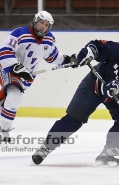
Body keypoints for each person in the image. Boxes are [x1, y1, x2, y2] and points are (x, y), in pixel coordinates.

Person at [31, 37, 119, 167]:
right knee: (73, 119)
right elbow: (98, 45)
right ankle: (46, 147)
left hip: (116, 95)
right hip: (93, 85)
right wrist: (90, 52)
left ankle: (107, 154)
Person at [0, 10, 76, 142]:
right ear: (35, 22)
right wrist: (15, 66)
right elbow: (5, 50)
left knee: (8, 99)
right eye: (41, 23)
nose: (43, 26)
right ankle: (3, 131)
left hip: (26, 76)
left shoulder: (49, 39)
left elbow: (52, 56)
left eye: (46, 25)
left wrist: (68, 60)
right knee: (15, 96)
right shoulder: (20, 33)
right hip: (9, 70)